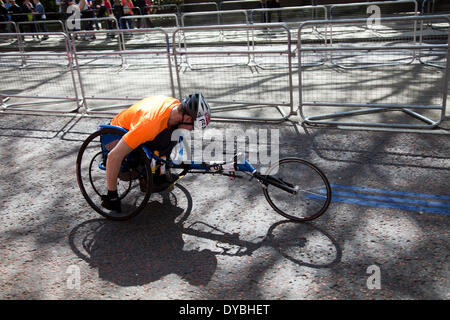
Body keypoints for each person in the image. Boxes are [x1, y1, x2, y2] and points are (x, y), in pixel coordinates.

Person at [101, 93, 211, 212]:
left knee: (172, 136)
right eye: (193, 127)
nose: (192, 130)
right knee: (165, 140)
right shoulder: (149, 126)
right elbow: (113, 156)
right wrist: (112, 195)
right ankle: (116, 194)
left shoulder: (175, 106)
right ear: (188, 118)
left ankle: (158, 173)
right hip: (117, 134)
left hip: (143, 122)